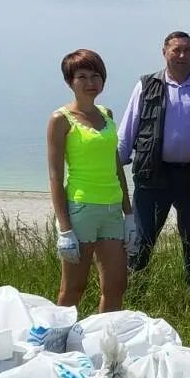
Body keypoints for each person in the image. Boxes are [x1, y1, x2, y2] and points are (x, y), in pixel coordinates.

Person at [117, 31, 190, 292]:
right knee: (142, 238)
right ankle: (135, 293)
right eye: (176, 50)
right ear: (164, 52)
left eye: (187, 50)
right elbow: (129, 128)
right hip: (153, 175)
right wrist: (116, 162)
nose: (182, 55)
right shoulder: (146, 85)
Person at [47, 49, 132, 312]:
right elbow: (55, 175)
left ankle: (103, 342)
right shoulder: (61, 119)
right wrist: (65, 229)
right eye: (82, 76)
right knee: (73, 288)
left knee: (116, 286)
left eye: (96, 76)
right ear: (69, 82)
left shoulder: (106, 114)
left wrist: (129, 214)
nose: (90, 83)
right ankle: (56, 343)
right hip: (81, 209)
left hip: (112, 210)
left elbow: (116, 167)